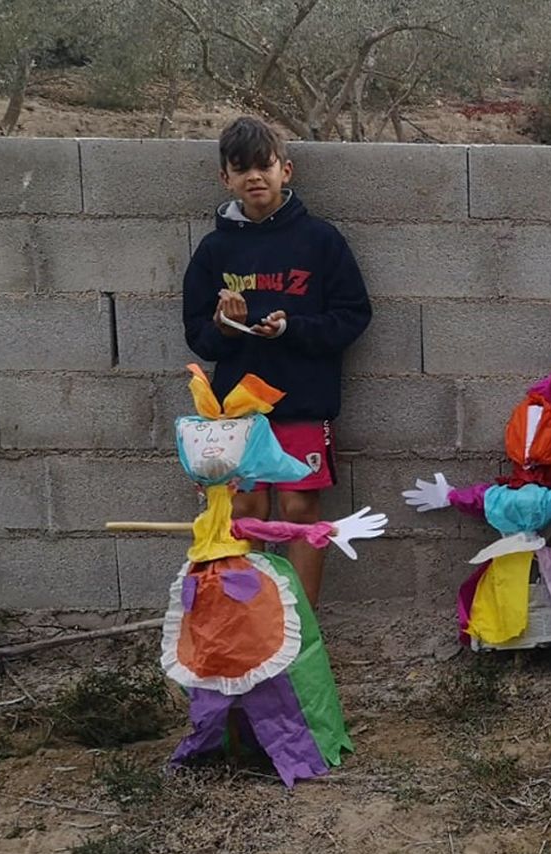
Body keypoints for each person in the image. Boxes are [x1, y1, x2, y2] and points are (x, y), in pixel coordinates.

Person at [181, 115, 371, 605]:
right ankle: (250, 621)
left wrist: (292, 329)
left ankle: (300, 627)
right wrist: (224, 328)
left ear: (286, 170)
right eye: (241, 169)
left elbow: (353, 316)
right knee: (244, 507)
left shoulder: (320, 240)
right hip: (238, 412)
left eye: (264, 166)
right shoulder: (213, 249)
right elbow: (197, 335)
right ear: (226, 178)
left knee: (299, 505)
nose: (254, 177)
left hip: (304, 401)